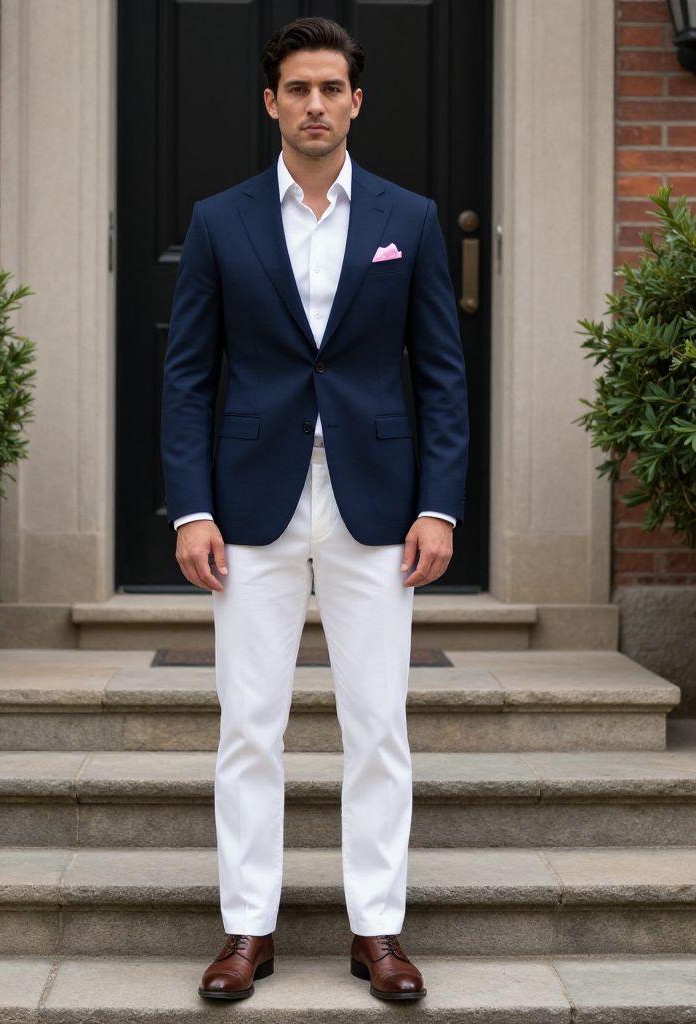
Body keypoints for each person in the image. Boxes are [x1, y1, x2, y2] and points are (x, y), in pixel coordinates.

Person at [160, 15, 469, 1003]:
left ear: (356, 101)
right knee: (249, 723)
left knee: (375, 721)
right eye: (297, 89)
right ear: (270, 102)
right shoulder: (220, 220)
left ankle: (376, 929)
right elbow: (186, 379)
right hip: (249, 504)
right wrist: (189, 509)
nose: (314, 105)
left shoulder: (409, 219)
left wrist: (441, 507)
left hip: (376, 505)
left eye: (330, 88)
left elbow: (442, 379)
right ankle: (246, 930)